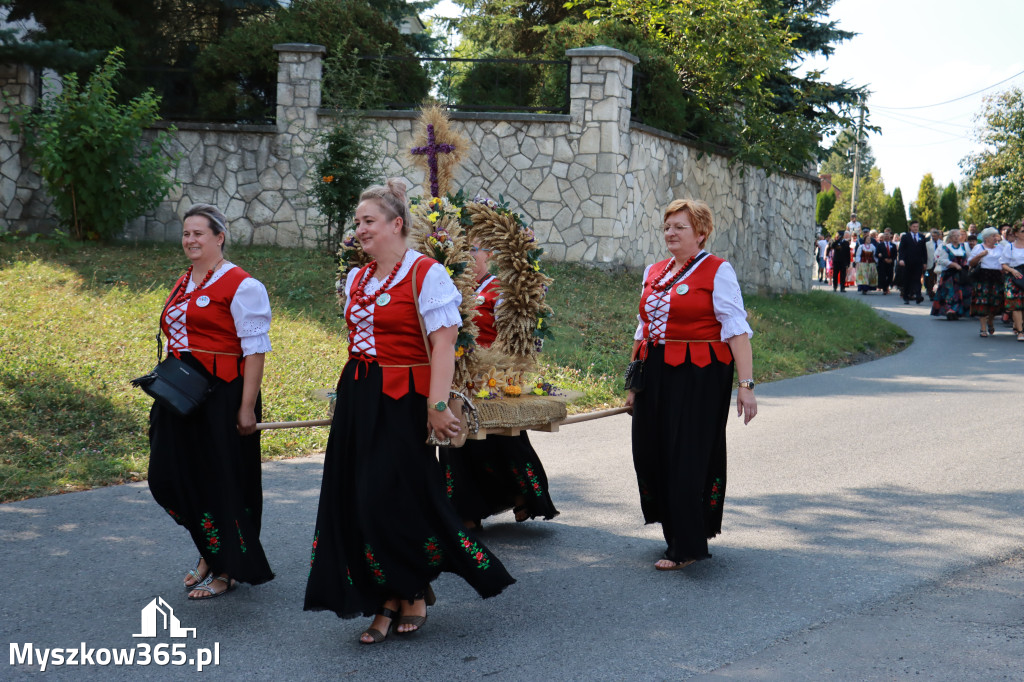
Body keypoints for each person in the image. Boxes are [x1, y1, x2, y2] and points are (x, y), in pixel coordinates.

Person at [303, 179, 515, 644]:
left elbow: (443, 346)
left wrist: (437, 405)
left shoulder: (425, 274)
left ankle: (412, 591)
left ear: (397, 224)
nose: (359, 229)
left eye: (369, 221)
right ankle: (386, 597)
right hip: (360, 394)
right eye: (357, 222)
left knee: (391, 495)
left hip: (404, 400)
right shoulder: (359, 278)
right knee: (357, 496)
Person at [147, 203, 275, 600]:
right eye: (186, 233)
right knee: (167, 477)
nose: (190, 240)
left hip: (223, 396)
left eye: (199, 233)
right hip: (180, 395)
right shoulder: (184, 281)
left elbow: (255, 350)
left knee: (221, 482)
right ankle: (209, 548)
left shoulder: (243, 285)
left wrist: (246, 406)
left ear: (219, 237)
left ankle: (227, 568)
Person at [625, 198, 756, 571]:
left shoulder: (718, 270)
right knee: (649, 451)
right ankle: (676, 528)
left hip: (700, 376)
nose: (671, 233)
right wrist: (634, 383)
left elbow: (736, 330)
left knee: (687, 454)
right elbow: (643, 329)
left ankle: (685, 545)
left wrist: (745, 385)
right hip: (656, 373)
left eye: (680, 227)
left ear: (701, 233)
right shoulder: (654, 271)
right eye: (667, 226)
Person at [438, 243, 560, 528]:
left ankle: (523, 496)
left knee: (503, 438)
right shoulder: (447, 286)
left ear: (489, 254)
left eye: (473, 250)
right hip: (454, 374)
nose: (467, 257)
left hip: (490, 377)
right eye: (462, 250)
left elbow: (511, 336)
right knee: (456, 437)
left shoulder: (499, 291)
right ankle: (466, 512)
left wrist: (500, 366)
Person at [969, 227, 1005, 337]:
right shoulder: (978, 247)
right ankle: (983, 328)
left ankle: (990, 320)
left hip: (996, 277)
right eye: (993, 236)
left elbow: (1006, 260)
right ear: (986, 238)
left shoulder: (1000, 248)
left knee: (995, 302)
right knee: (982, 302)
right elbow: (971, 262)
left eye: (996, 236)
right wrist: (980, 255)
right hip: (983, 277)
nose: (996, 238)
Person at [930, 228, 972, 321]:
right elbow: (941, 260)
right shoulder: (946, 247)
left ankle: (957, 311)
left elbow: (969, 258)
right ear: (950, 237)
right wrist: (953, 264)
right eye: (954, 236)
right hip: (950, 275)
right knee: (950, 293)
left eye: (958, 236)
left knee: (962, 292)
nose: (957, 238)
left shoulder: (964, 246)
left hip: (961, 274)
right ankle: (950, 310)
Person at [999, 223, 1024, 341]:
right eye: (1023, 231)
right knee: (1016, 305)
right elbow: (1003, 263)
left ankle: (1019, 325)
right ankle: (1020, 331)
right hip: (1014, 276)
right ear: (1016, 234)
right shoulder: (1009, 247)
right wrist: (1012, 270)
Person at [898, 220, 928, 304]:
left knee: (917, 279)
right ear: (910, 227)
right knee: (907, 280)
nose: (915, 228)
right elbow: (901, 250)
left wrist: (925, 262)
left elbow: (924, 251)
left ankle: (918, 296)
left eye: (917, 227)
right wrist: (901, 259)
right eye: (914, 227)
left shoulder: (922, 237)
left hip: (918, 262)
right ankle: (906, 297)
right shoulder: (905, 237)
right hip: (907, 262)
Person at [924, 229, 942, 300]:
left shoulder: (942, 243)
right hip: (930, 264)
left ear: (938, 236)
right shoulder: (927, 244)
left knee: (938, 279)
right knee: (930, 279)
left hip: (939, 264)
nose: (934, 237)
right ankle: (931, 294)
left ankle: (937, 293)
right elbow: (925, 254)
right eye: (932, 236)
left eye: (935, 236)